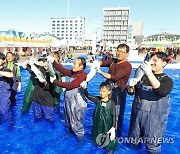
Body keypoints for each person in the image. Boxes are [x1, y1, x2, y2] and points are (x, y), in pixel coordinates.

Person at [127, 52, 173, 153]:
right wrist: (130, 86)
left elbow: (161, 90)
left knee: (152, 146)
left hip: (154, 119)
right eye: (151, 60)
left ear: (164, 63)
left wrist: (149, 73)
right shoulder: (143, 77)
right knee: (133, 141)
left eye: (155, 60)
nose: (151, 63)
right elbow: (131, 93)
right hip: (137, 115)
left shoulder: (167, 80)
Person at [93, 44, 132, 134]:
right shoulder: (113, 61)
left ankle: (115, 133)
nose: (119, 53)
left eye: (122, 52)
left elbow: (114, 77)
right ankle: (104, 131)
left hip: (118, 93)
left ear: (127, 54)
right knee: (105, 112)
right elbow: (104, 62)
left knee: (116, 115)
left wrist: (100, 72)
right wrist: (98, 63)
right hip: (108, 90)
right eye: (118, 51)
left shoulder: (127, 66)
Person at [48, 57, 87, 138]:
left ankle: (80, 138)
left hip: (76, 102)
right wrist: (54, 62)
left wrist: (55, 82)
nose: (73, 65)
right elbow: (63, 70)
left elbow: (71, 85)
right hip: (69, 100)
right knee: (68, 117)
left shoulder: (83, 75)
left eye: (74, 64)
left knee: (76, 120)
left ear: (81, 66)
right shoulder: (74, 73)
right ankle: (70, 133)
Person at [82, 81, 118, 152]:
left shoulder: (111, 103)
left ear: (109, 92)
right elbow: (88, 96)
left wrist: (113, 127)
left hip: (107, 125)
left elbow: (114, 115)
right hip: (97, 125)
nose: (101, 93)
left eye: (104, 91)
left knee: (109, 142)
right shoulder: (97, 100)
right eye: (100, 91)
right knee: (96, 139)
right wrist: (84, 89)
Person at [29, 58, 55, 123]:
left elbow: (50, 87)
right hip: (36, 99)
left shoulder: (54, 75)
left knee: (49, 119)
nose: (46, 64)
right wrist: (30, 63)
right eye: (45, 62)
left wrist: (45, 83)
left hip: (47, 102)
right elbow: (28, 67)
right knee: (37, 117)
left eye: (48, 63)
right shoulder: (40, 70)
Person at [0, 52, 14, 124]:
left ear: (3, 61)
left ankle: (10, 125)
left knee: (5, 111)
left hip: (3, 95)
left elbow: (10, 74)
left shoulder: (6, 69)